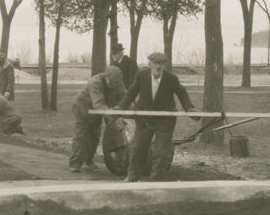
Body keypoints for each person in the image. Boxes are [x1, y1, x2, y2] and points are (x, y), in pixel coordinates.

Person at [119, 52, 198, 182]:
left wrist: (189, 108)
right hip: (145, 120)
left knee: (161, 153)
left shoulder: (171, 79)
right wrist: (120, 107)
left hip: (164, 120)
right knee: (137, 149)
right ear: (149, 64)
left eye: (161, 64)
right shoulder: (141, 76)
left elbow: (182, 93)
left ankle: (157, 180)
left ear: (164, 65)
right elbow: (131, 93)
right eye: (155, 63)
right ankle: (132, 176)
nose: (158, 67)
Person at [69, 66, 126, 172]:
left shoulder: (118, 83)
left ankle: (88, 160)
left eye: (116, 83)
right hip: (83, 109)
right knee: (81, 136)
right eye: (112, 83)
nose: (114, 86)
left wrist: (133, 111)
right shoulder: (95, 82)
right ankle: (75, 163)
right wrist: (114, 117)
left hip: (98, 112)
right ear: (106, 78)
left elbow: (125, 98)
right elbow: (98, 104)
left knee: (94, 136)